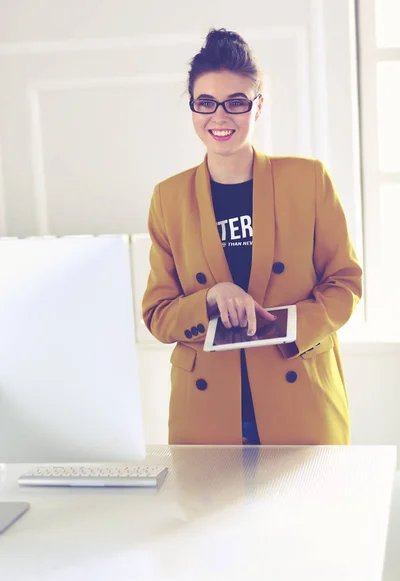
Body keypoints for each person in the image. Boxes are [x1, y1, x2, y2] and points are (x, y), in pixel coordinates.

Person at [142, 28, 362, 446]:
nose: (219, 117)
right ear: (192, 107)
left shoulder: (307, 179)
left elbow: (345, 284)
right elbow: (158, 314)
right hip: (207, 412)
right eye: (205, 103)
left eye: (237, 102)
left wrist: (282, 327)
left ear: (258, 107)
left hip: (299, 399)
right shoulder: (167, 198)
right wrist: (210, 298)